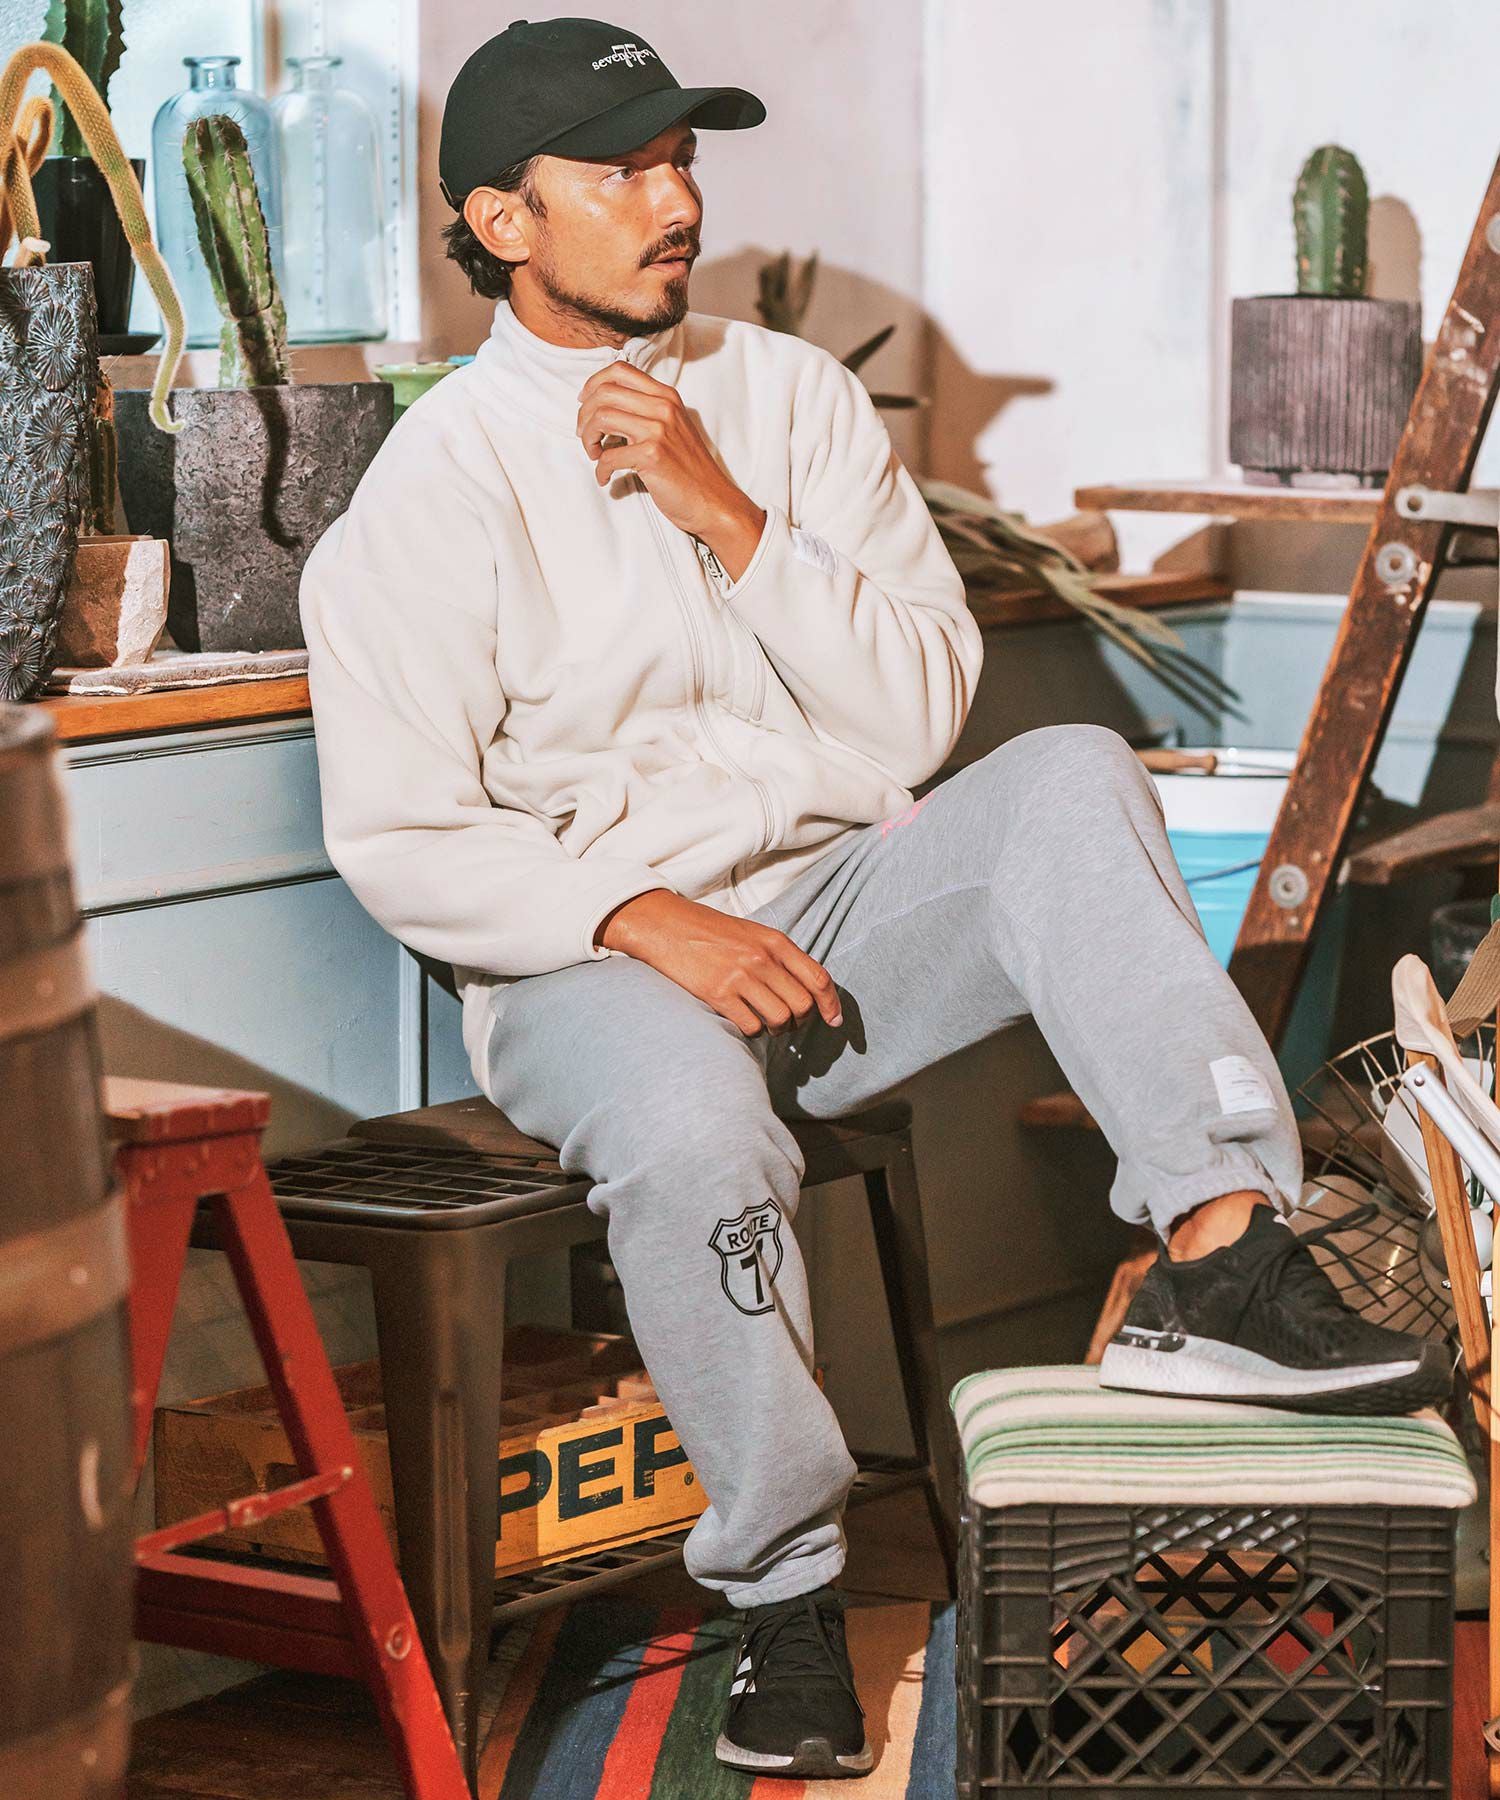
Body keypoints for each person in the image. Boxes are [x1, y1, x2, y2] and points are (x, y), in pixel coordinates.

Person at [299, 16, 1450, 1782]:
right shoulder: (428, 490)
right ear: (504, 223)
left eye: (683, 159)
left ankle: (1225, 1258)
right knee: (693, 1127)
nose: (675, 201)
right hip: (586, 965)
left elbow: (920, 715)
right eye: (621, 170)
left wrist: (731, 518)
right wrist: (641, 919)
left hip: (839, 915)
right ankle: (785, 1597)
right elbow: (398, 831)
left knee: (1070, 769)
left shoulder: (788, 402)